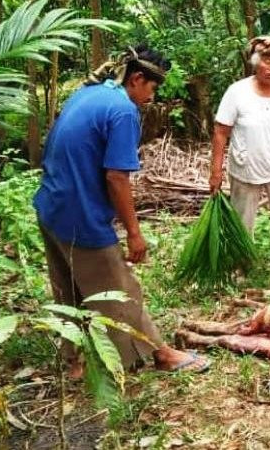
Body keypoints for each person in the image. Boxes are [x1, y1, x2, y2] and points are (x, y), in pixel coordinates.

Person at [34, 44, 208, 376]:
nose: (151, 98)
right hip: (79, 213)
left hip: (50, 204)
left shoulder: (90, 93)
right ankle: (159, 353)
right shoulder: (123, 110)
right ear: (137, 79)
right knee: (118, 289)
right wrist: (134, 233)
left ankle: (75, 361)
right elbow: (116, 176)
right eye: (152, 89)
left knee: (68, 287)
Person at [209, 36, 270, 268]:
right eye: (268, 61)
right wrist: (215, 172)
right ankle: (242, 264)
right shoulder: (237, 92)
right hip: (245, 164)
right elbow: (221, 132)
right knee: (242, 217)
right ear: (255, 61)